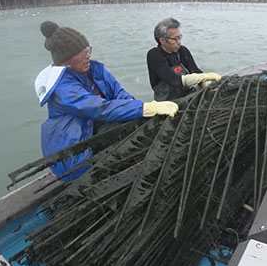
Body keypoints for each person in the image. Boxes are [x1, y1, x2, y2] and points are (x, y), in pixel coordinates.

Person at [35, 21, 178, 181]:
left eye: (87, 50)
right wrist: (143, 108)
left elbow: (120, 94)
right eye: (81, 53)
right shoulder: (61, 87)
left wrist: (147, 111)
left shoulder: (95, 70)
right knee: (121, 126)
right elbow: (99, 109)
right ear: (64, 60)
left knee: (140, 125)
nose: (87, 55)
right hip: (74, 156)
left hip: (98, 133)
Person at [146, 18, 221, 101]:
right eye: (176, 38)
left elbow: (195, 71)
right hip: (167, 102)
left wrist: (207, 82)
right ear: (163, 40)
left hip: (187, 94)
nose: (179, 42)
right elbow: (174, 80)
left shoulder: (183, 51)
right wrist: (201, 77)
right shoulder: (154, 55)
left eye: (180, 37)